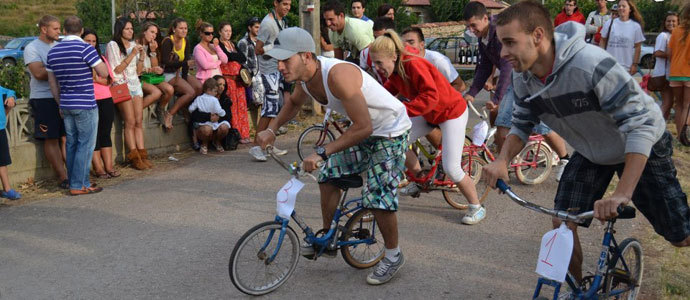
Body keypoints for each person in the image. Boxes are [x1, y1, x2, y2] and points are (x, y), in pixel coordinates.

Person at [483, 1, 690, 285]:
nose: (503, 53)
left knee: (680, 236)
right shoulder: (523, 77)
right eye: (500, 43)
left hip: (643, 143)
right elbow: (522, 122)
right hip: (594, 151)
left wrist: (622, 194)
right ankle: (577, 291)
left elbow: (640, 127)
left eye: (509, 42)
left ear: (538, 36)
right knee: (562, 223)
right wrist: (501, 161)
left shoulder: (589, 64)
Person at [258, 27, 411, 286]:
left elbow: (364, 127)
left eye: (286, 59)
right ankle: (327, 236)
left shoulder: (338, 75)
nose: (280, 66)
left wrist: (322, 151)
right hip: (366, 131)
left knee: (377, 196)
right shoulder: (305, 80)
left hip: (390, 132)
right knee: (328, 175)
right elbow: (294, 104)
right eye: (278, 60)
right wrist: (271, 130)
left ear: (306, 56)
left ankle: (393, 255)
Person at [369, 30, 485, 225]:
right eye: (374, 63)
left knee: (452, 167)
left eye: (379, 63)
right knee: (394, 139)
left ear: (394, 56)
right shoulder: (396, 69)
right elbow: (388, 91)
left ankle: (477, 207)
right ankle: (418, 178)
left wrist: (400, 109)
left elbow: (431, 98)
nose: (377, 67)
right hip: (429, 113)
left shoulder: (413, 64)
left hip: (451, 112)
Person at [463, 1, 570, 180]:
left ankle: (566, 160)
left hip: (528, 77)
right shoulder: (484, 38)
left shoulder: (499, 32)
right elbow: (484, 66)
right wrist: (471, 93)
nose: (471, 30)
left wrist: (497, 98)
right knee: (505, 125)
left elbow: (506, 67)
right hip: (517, 78)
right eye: (468, 26)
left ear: (484, 18)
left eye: (474, 25)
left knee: (541, 126)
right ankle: (505, 162)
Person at [46, 16, 109, 196]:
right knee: (86, 145)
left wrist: (60, 103)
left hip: (65, 103)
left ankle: (75, 181)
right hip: (85, 103)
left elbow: (52, 84)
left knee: (72, 144)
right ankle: (80, 184)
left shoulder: (53, 52)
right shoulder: (85, 48)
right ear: (81, 31)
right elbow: (103, 72)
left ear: (64, 31)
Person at [24, 15, 68, 189]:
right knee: (51, 138)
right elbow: (39, 73)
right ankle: (63, 177)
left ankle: (73, 174)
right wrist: (62, 69)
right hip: (43, 98)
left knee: (66, 137)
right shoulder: (32, 48)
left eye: (59, 28)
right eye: (55, 29)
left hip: (62, 96)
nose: (59, 32)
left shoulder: (59, 46)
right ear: (44, 29)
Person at [106, 17, 150, 170]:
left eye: (132, 29)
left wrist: (142, 57)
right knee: (129, 122)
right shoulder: (113, 45)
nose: (130, 31)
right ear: (120, 30)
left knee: (139, 121)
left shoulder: (133, 45)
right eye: (127, 29)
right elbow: (116, 69)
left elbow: (138, 72)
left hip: (135, 84)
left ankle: (143, 154)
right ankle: (134, 157)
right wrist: (131, 54)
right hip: (121, 85)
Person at [251, 0, 292, 161]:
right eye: (284, 4)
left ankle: (268, 144)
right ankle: (256, 146)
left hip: (278, 69)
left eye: (289, 4)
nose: (287, 8)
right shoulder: (268, 23)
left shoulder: (282, 20)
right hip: (268, 71)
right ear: (276, 3)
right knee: (269, 109)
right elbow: (258, 49)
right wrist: (274, 46)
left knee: (276, 108)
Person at [82, 29, 121, 179]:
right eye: (88, 41)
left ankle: (109, 166)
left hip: (105, 98)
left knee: (105, 132)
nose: (91, 44)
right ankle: (98, 168)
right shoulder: (81, 58)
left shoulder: (101, 59)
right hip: (89, 99)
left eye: (93, 41)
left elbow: (109, 80)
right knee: (93, 134)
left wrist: (96, 79)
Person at [160, 18, 202, 131]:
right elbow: (166, 62)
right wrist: (184, 64)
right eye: (181, 28)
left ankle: (184, 108)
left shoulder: (185, 41)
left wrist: (184, 78)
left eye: (186, 28)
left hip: (179, 71)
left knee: (198, 87)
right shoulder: (168, 41)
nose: (184, 31)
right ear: (174, 29)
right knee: (190, 92)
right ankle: (170, 113)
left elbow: (186, 62)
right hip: (168, 72)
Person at [401, 27, 466, 92]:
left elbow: (460, 86)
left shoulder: (438, 60)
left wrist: (439, 100)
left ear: (422, 45)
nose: (406, 46)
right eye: (403, 44)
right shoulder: (404, 61)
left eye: (411, 42)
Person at [217, 22, 251, 144]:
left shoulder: (232, 44)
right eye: (225, 31)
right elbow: (227, 57)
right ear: (220, 31)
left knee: (241, 107)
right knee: (232, 107)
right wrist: (234, 56)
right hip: (228, 80)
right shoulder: (218, 44)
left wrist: (234, 55)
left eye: (230, 31)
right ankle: (235, 134)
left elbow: (242, 58)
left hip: (238, 80)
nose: (228, 33)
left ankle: (244, 134)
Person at [137, 22, 174, 116]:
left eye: (155, 33)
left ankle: (160, 109)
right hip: (139, 77)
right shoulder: (136, 45)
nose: (154, 35)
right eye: (152, 32)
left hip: (150, 77)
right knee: (156, 92)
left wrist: (153, 51)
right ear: (144, 32)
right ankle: (136, 112)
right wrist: (151, 70)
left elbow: (155, 67)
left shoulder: (152, 45)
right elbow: (138, 70)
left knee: (170, 89)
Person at [599, 0, 645, 76]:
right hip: (609, 66)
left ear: (630, 9)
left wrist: (635, 64)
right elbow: (602, 41)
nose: (620, 8)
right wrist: (601, 58)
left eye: (623, 6)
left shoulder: (635, 26)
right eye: (619, 6)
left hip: (626, 68)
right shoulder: (609, 23)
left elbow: (638, 47)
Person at [189, 78, 230, 155]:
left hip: (204, 123)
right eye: (215, 91)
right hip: (208, 124)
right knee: (208, 129)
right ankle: (204, 144)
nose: (216, 93)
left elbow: (191, 109)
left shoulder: (198, 98)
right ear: (208, 90)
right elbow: (219, 110)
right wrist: (222, 113)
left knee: (222, 127)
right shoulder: (214, 100)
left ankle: (213, 142)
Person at [668, 4, 690, 141]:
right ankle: (685, 135)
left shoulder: (676, 31)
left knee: (679, 105)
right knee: (688, 105)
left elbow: (670, 53)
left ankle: (679, 135)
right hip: (688, 72)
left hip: (675, 72)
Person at [237, 17, 262, 131]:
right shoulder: (243, 42)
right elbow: (243, 61)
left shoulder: (259, 41)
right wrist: (248, 78)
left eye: (259, 27)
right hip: (252, 76)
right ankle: (256, 128)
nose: (258, 29)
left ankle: (262, 128)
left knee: (263, 103)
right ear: (249, 27)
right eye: (256, 27)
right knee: (254, 104)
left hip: (261, 74)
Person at [654, 12, 678, 121]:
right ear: (664, 23)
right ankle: (657, 125)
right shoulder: (663, 35)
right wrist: (673, 56)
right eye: (668, 21)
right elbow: (657, 53)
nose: (671, 23)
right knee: (667, 103)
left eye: (673, 21)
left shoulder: (675, 36)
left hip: (671, 74)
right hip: (663, 74)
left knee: (669, 103)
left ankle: (662, 127)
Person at [359, 17, 395, 84]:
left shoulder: (402, 55)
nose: (378, 41)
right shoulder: (366, 53)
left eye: (382, 38)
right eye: (375, 37)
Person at [0, 85, 20, 200]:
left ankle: (7, 189)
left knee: (2, 161)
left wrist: (11, 97)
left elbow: (10, 91)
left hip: (0, 129)